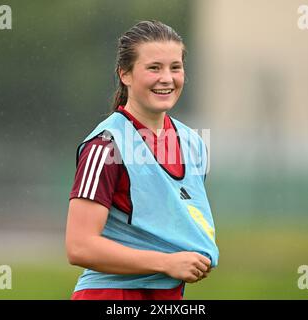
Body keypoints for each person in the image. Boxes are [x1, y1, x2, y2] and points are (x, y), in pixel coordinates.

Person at [65, 20, 219, 300]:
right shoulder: (106, 145)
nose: (167, 78)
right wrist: (167, 262)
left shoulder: (193, 143)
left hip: (168, 295)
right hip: (113, 295)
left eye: (175, 67)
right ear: (125, 74)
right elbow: (79, 247)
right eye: (153, 68)